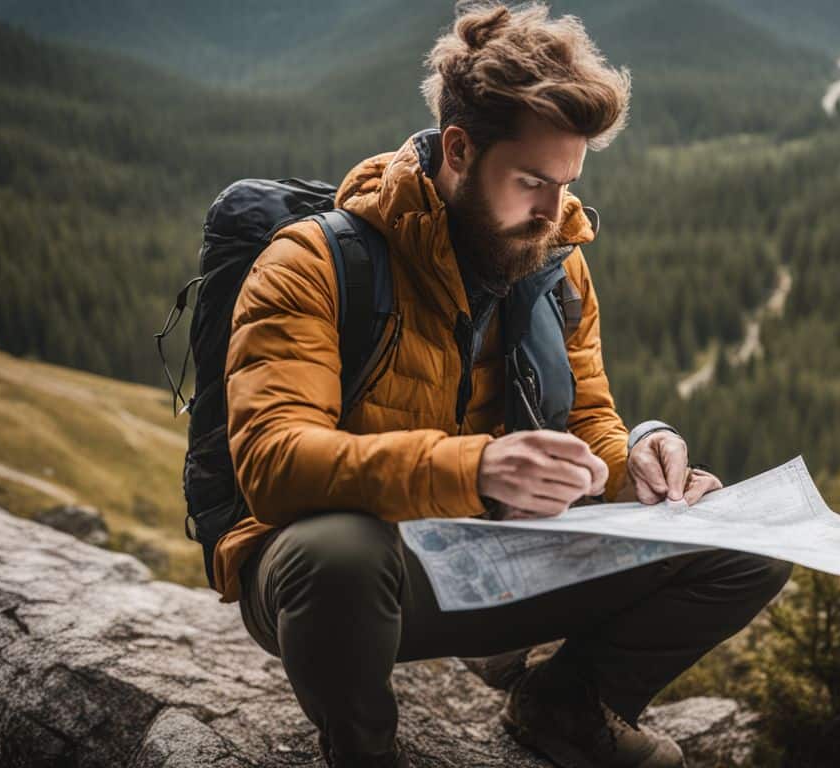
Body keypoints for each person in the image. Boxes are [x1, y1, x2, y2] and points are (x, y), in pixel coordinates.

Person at [211, 3, 792, 766]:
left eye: (568, 182)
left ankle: (564, 704)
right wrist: (478, 468)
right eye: (530, 182)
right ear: (458, 149)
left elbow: (589, 417)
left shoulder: (555, 265)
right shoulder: (313, 263)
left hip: (490, 563)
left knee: (744, 538)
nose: (554, 211)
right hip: (361, 577)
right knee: (338, 554)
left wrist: (643, 461)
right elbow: (273, 463)